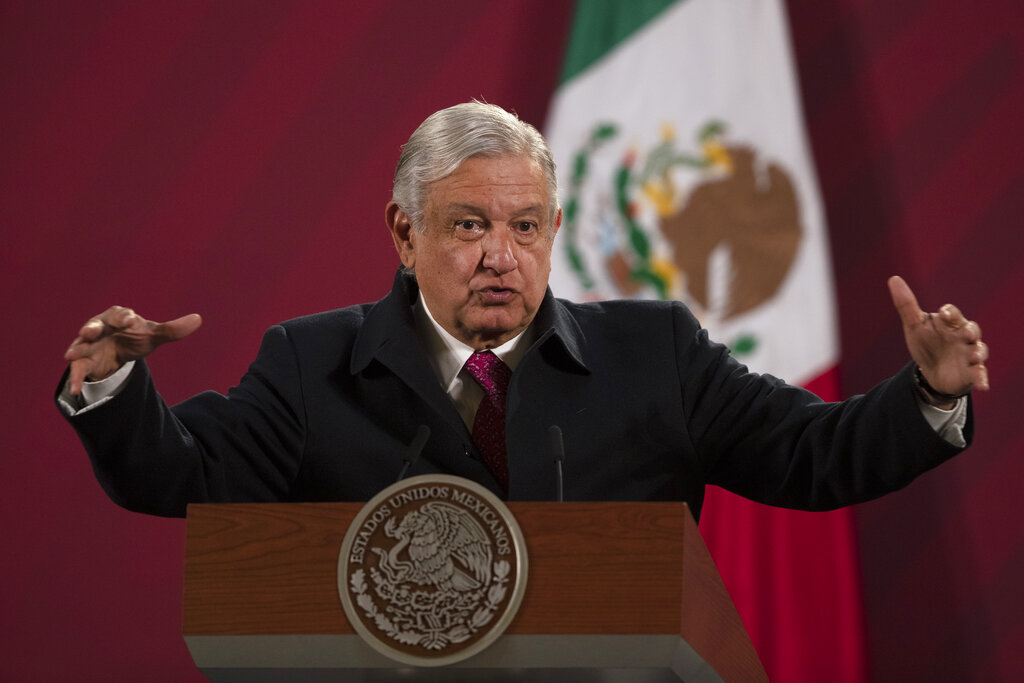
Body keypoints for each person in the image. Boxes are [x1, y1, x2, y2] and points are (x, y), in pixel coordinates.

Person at [58, 102, 989, 518]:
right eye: (468, 225)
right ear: (403, 231)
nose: (501, 255)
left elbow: (810, 456)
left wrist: (927, 397)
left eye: (526, 225)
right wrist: (115, 386)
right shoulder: (310, 363)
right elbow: (181, 476)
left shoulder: (651, 350)